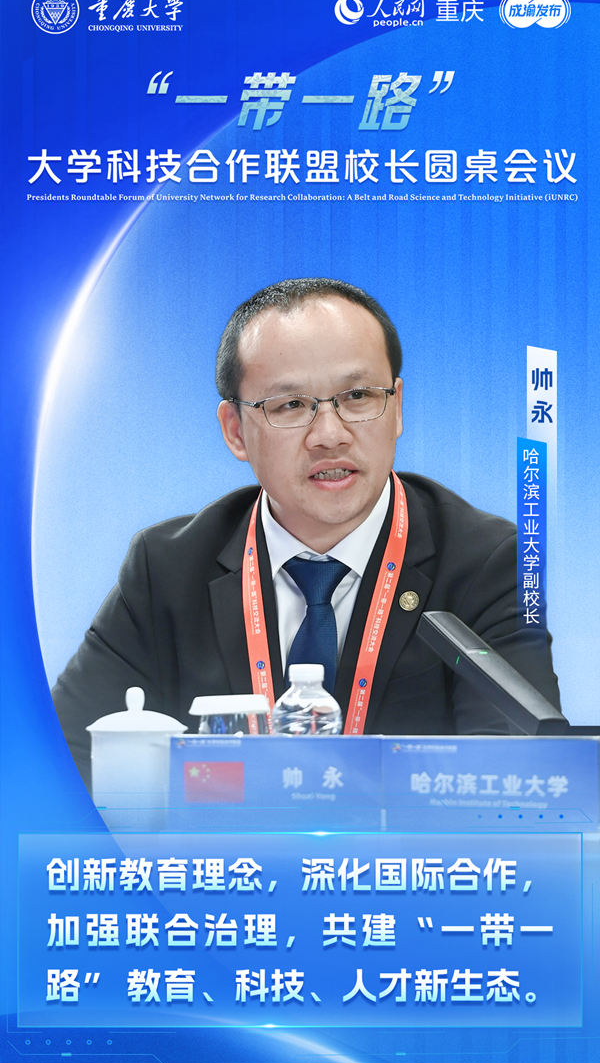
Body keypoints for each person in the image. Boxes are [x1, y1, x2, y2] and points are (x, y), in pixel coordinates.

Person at [52, 277, 561, 785]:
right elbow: (57, 759)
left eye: (358, 396)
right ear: (235, 430)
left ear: (397, 407)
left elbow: (515, 774)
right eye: (290, 405)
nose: (330, 435)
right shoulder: (166, 569)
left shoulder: (489, 561)